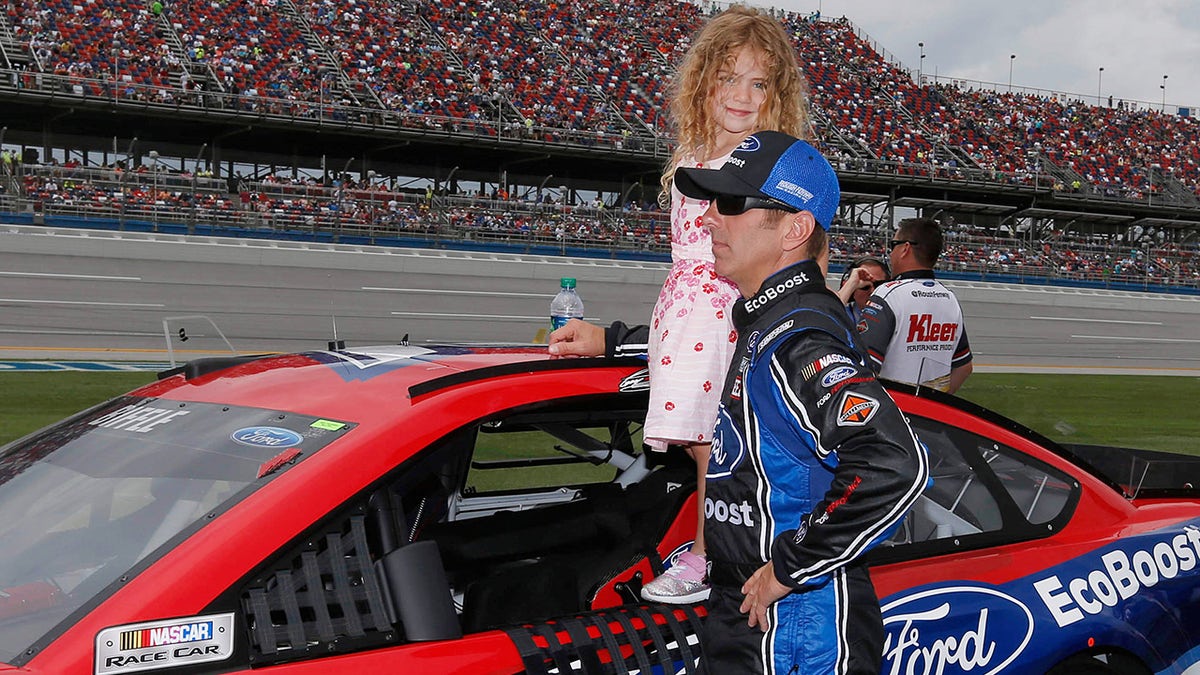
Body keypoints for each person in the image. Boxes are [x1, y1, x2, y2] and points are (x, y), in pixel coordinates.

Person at [683, 131, 928, 673]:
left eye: (730, 202)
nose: (709, 219)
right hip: (758, 607)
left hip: (796, 620)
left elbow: (894, 463)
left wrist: (789, 568)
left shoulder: (798, 338)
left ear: (795, 228)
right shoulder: (772, 324)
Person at [630, 3, 813, 604]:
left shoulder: (766, 168)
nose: (741, 94)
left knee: (713, 438)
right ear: (703, 82)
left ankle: (709, 553)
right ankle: (714, 543)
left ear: (776, 94)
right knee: (693, 436)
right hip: (682, 309)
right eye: (728, 77)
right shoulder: (691, 152)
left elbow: (787, 252)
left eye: (758, 83)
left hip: (721, 310)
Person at [857, 217, 973, 393]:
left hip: (893, 413)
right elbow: (964, 367)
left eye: (893, 245)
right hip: (929, 414)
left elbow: (863, 365)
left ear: (905, 248)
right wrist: (938, 403)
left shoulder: (887, 294)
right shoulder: (950, 299)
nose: (890, 253)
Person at [836, 255, 890, 325]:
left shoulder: (898, 318)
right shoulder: (838, 318)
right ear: (853, 291)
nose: (872, 291)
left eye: (878, 285)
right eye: (865, 286)